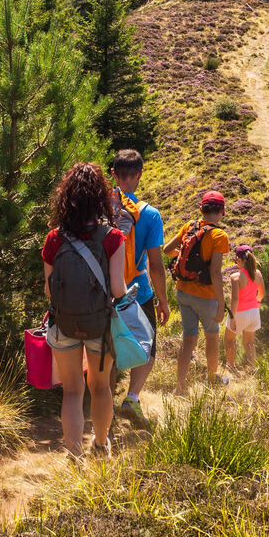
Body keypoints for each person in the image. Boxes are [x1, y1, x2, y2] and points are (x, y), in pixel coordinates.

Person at [42, 162, 127, 460]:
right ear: (100, 198)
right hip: (99, 326)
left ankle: (73, 454)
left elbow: (49, 291)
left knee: (72, 391)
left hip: (64, 324)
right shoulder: (113, 238)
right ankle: (101, 445)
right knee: (100, 388)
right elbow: (118, 290)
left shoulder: (54, 238)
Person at [108, 149, 168, 428]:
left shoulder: (101, 209)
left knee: (106, 350)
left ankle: (103, 402)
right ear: (140, 175)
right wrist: (163, 301)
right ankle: (132, 397)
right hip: (139, 292)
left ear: (113, 174)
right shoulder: (150, 214)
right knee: (147, 348)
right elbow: (156, 265)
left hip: (106, 291)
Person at [165, 190, 230, 393]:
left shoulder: (189, 226)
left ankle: (180, 386)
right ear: (223, 212)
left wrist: (185, 259)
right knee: (212, 336)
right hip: (206, 296)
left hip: (183, 292)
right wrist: (221, 304)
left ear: (202, 209)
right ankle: (212, 379)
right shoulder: (219, 235)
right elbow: (216, 273)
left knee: (188, 339)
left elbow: (167, 249)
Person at [224, 244, 265, 370]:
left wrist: (232, 316)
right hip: (254, 313)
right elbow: (262, 294)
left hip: (240, 313)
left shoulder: (235, 277)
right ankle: (253, 368)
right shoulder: (257, 274)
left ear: (239, 260)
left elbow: (235, 299)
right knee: (249, 343)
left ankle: (231, 365)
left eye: (236, 259)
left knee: (229, 339)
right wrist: (256, 304)